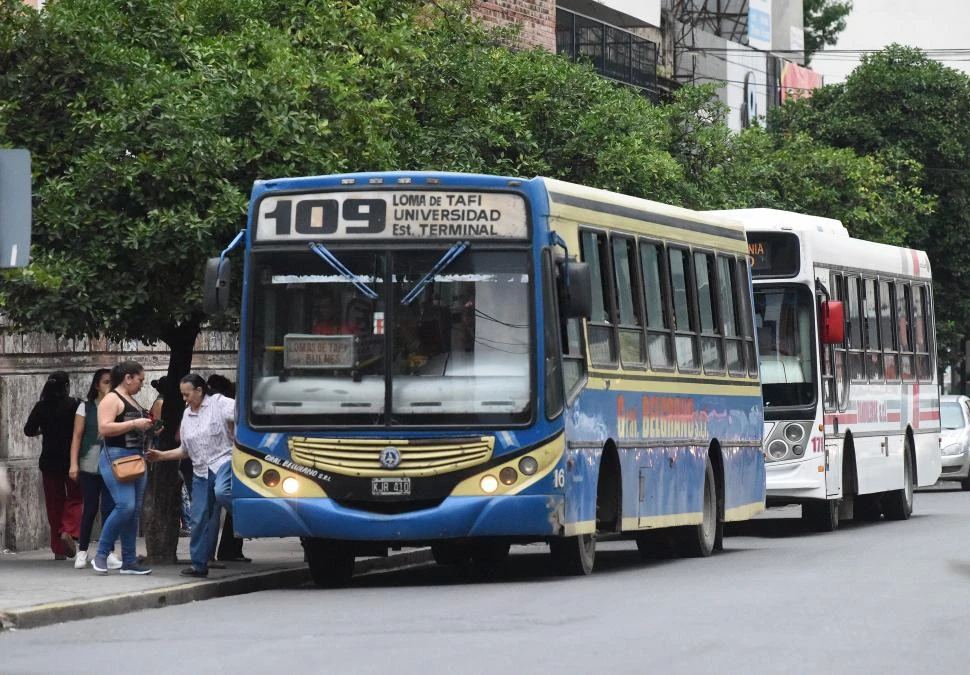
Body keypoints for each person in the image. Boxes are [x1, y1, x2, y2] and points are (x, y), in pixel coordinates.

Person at [146, 373, 234, 578]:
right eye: (182, 395)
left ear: (199, 391)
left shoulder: (219, 403)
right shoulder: (187, 414)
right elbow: (184, 450)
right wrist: (161, 456)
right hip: (201, 471)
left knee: (222, 492)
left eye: (187, 394)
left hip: (223, 463)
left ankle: (247, 514)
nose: (184, 399)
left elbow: (245, 415)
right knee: (198, 518)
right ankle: (199, 565)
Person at [92, 360, 156, 575]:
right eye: (140, 380)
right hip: (117, 456)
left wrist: (149, 429)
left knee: (134, 511)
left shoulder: (132, 400)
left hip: (136, 456)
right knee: (125, 506)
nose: (141, 385)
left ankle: (129, 561)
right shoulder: (112, 399)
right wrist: (134, 424)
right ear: (128, 378)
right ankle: (101, 553)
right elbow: (104, 428)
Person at [24, 371, 82, 560]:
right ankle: (68, 530)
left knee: (54, 504)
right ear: (66, 386)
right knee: (75, 497)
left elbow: (29, 430)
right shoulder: (74, 404)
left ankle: (58, 549)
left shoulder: (41, 406)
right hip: (71, 460)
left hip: (48, 461)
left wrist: (44, 430)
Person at [68, 368, 122, 570]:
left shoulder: (118, 405)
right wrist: (73, 464)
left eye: (112, 382)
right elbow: (77, 436)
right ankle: (82, 551)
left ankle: (107, 551)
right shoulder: (86, 407)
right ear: (97, 385)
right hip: (89, 462)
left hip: (112, 460)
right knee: (90, 507)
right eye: (106, 382)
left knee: (109, 508)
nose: (109, 386)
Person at [205, 374, 249, 564]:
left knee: (216, 506)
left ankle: (213, 554)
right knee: (214, 505)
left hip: (221, 461)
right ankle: (208, 555)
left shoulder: (225, 405)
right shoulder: (211, 406)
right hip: (212, 462)